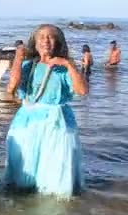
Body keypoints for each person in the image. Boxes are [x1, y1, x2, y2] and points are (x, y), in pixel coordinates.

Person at [5, 24, 87, 197]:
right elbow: (11, 87)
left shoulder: (63, 68)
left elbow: (82, 91)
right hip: (28, 120)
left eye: (50, 37)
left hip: (56, 121)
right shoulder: (28, 65)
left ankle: (53, 207)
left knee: (55, 167)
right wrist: (19, 57)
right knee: (25, 167)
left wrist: (68, 64)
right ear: (34, 43)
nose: (45, 40)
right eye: (41, 37)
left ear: (57, 42)